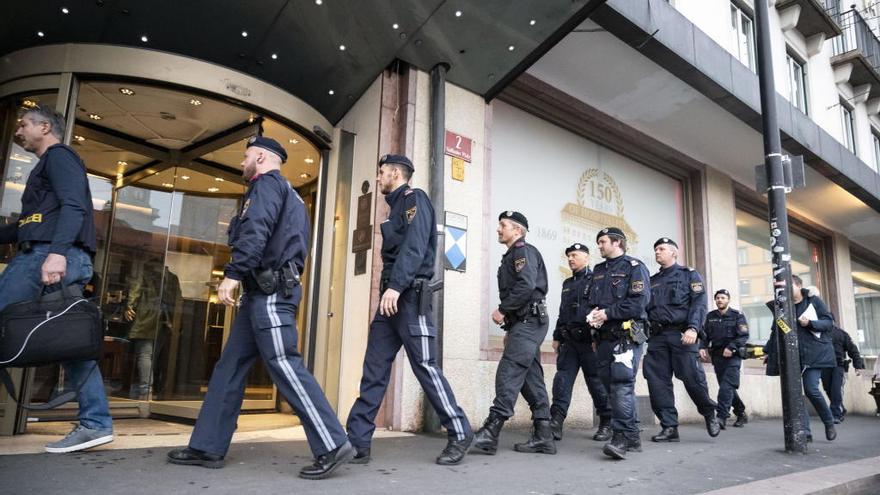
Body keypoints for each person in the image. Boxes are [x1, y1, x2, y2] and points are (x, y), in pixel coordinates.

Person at [167, 136, 353, 480]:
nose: (242, 162)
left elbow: (256, 230)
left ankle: (332, 442)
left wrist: (233, 274)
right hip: (261, 295)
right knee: (230, 367)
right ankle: (208, 446)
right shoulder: (289, 194)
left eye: (246, 156)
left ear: (263, 157)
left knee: (285, 364)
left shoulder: (267, 185)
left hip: (269, 294)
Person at [345, 154, 472, 466]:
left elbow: (415, 248)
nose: (378, 178)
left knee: (426, 367)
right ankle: (357, 441)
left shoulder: (416, 200)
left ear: (396, 172)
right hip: (392, 298)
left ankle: (459, 431)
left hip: (409, 297)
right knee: (374, 369)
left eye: (381, 173)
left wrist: (396, 287)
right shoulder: (396, 206)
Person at [2, 105, 111, 453]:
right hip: (47, 252)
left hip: (46, 256)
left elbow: (75, 207)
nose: (18, 131)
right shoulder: (46, 166)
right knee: (73, 346)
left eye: (24, 124)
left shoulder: (60, 156)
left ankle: (96, 422)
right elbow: (27, 225)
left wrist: (57, 253)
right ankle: (96, 423)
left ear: (45, 127)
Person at [472, 211, 556, 455]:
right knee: (530, 378)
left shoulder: (523, 252)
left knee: (509, 370)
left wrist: (502, 310)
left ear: (517, 230)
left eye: (503, 225)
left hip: (530, 320)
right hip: (524, 322)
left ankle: (491, 431)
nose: (499, 229)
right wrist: (510, 326)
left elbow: (526, 286)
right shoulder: (511, 256)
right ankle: (544, 435)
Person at [644, 237, 721, 442]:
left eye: (661, 249)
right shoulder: (652, 281)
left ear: (674, 253)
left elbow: (699, 303)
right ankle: (669, 426)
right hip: (657, 337)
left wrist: (693, 328)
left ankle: (708, 412)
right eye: (656, 249)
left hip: (682, 334)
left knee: (691, 378)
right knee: (657, 382)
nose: (657, 252)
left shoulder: (689, 275)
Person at [584, 227, 651, 460]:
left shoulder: (634, 267)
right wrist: (593, 320)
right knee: (610, 387)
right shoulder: (599, 270)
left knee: (621, 385)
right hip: (603, 338)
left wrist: (607, 313)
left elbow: (638, 304)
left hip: (626, 337)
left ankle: (620, 438)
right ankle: (632, 436)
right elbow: (592, 303)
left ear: (617, 243)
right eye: (598, 242)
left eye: (602, 241)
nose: (599, 246)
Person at [549, 243, 612, 442]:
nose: (570, 259)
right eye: (568, 256)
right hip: (569, 342)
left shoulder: (597, 279)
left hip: (589, 342)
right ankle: (555, 423)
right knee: (562, 381)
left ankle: (606, 423)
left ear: (586, 257)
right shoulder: (567, 283)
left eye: (575, 255)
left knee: (596, 383)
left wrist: (597, 336)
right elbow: (562, 312)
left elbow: (602, 309)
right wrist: (557, 336)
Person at [764, 274, 837, 442]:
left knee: (811, 389)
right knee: (795, 394)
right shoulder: (781, 307)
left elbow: (828, 322)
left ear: (798, 285)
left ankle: (829, 422)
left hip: (814, 354)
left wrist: (810, 323)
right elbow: (777, 330)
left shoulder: (813, 301)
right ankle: (805, 432)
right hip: (791, 356)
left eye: (788, 286)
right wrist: (769, 351)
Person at [699, 289, 749, 429]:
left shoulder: (737, 315)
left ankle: (721, 417)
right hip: (717, 356)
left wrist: (731, 347)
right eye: (718, 298)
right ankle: (740, 412)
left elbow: (743, 336)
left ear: (728, 300)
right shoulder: (711, 316)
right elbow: (705, 335)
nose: (720, 300)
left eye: (723, 298)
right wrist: (702, 347)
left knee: (726, 386)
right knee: (727, 388)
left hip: (733, 357)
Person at [822, 325, 865, 423]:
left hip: (838, 366)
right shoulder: (819, 333)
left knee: (836, 389)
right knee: (828, 388)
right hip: (825, 365)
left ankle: (836, 414)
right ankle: (840, 407)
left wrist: (858, 366)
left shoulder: (841, 334)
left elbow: (853, 349)